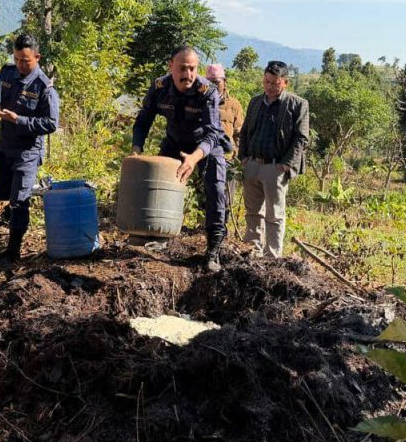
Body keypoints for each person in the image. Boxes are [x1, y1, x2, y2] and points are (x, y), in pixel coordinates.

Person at [132, 46, 227, 272]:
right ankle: (159, 236)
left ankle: (213, 250)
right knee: (159, 185)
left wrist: (193, 159)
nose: (188, 74)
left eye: (192, 68)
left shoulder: (207, 91)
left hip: (206, 146)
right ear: (170, 66)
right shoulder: (159, 88)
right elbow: (143, 120)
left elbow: (213, 133)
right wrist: (136, 149)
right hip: (175, 142)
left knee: (216, 190)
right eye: (183, 68)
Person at [0, 34, 60, 268]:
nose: (21, 64)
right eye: (18, 59)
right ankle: (13, 223)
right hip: (5, 146)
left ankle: (13, 252)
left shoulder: (45, 87)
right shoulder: (7, 73)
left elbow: (51, 124)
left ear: (37, 57)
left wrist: (18, 119)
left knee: (19, 201)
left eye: (26, 60)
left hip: (27, 152)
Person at [238, 60, 309, 258]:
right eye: (267, 82)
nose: (269, 87)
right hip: (252, 164)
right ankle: (252, 251)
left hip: (275, 168)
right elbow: (244, 132)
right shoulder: (255, 102)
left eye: (275, 83)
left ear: (285, 82)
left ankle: (272, 256)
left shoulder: (297, 104)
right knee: (252, 212)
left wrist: (285, 164)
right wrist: (243, 157)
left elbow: (301, 138)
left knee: (274, 215)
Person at [205, 63, 244, 203]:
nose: (214, 86)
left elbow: (239, 134)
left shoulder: (234, 105)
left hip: (228, 160)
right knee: (205, 199)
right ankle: (201, 226)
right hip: (205, 158)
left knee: (226, 200)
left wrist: (237, 158)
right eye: (210, 83)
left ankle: (224, 224)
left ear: (224, 82)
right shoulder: (200, 102)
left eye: (217, 82)